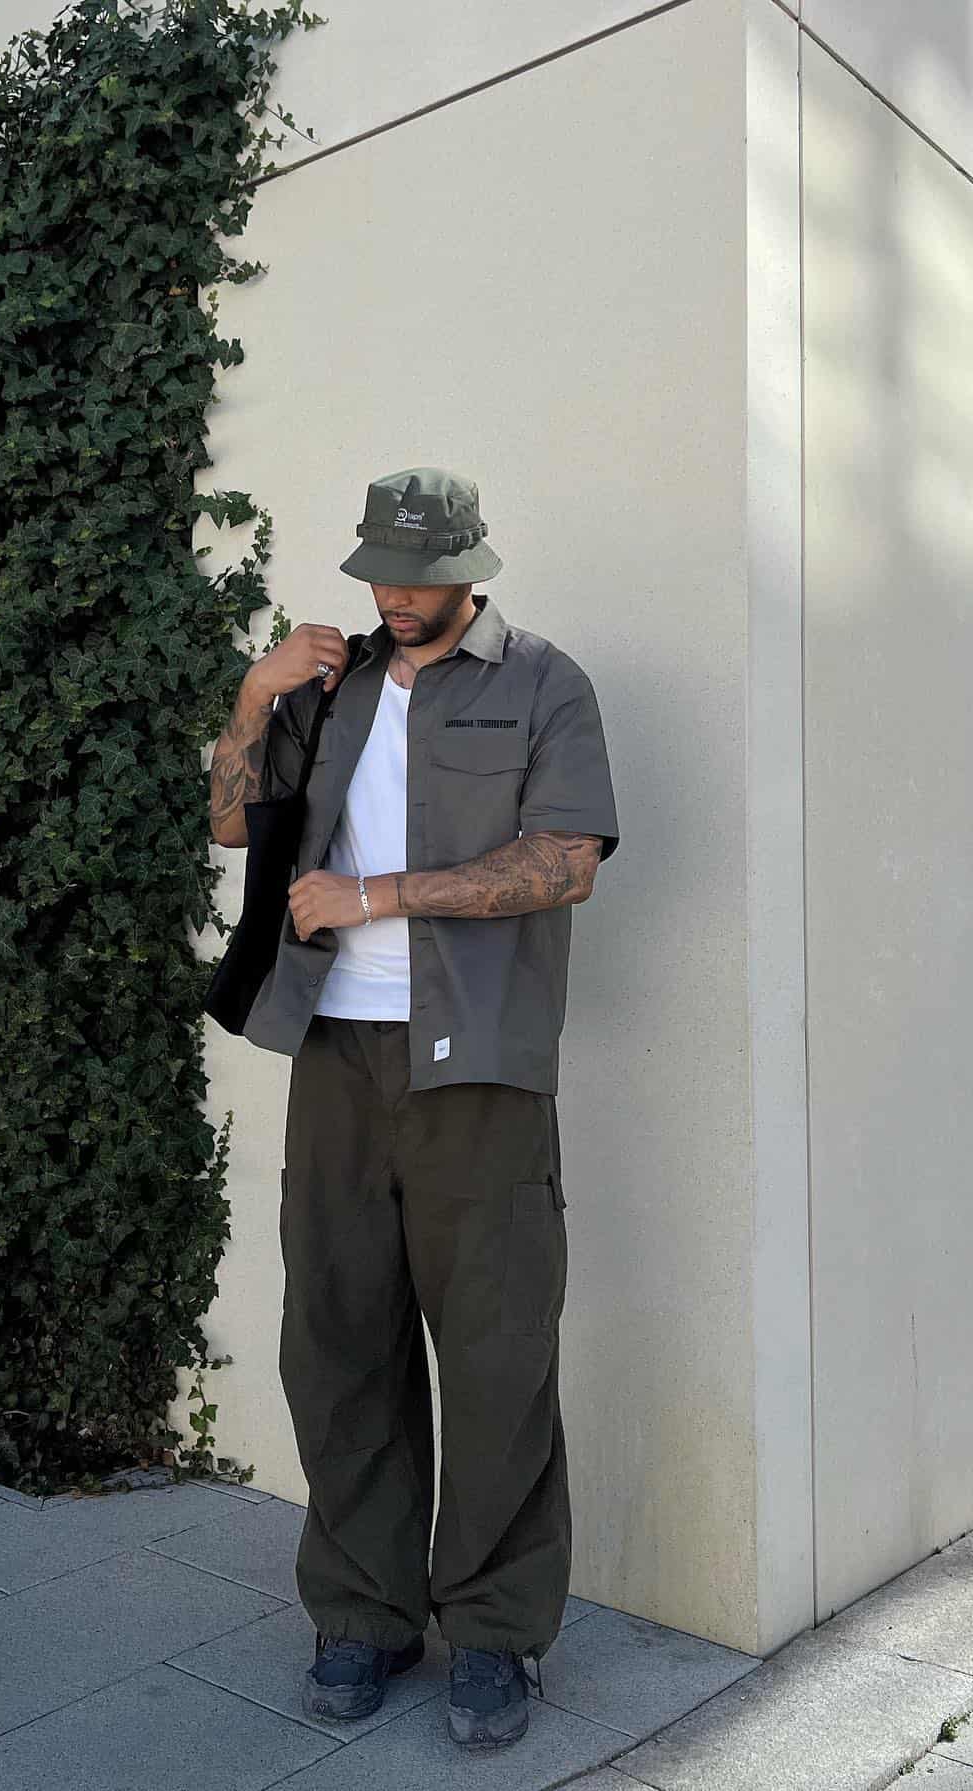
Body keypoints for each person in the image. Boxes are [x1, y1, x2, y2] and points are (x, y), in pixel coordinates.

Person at [207, 467, 620, 1751]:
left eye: (417, 571)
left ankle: (495, 1634)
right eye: (378, 568)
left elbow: (567, 863)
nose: (393, 591)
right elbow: (233, 825)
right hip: (333, 1050)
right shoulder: (327, 689)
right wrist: (251, 697)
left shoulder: (545, 682)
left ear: (469, 567)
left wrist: (375, 897)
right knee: (337, 1336)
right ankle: (364, 1612)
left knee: (495, 1350)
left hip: (479, 1062)